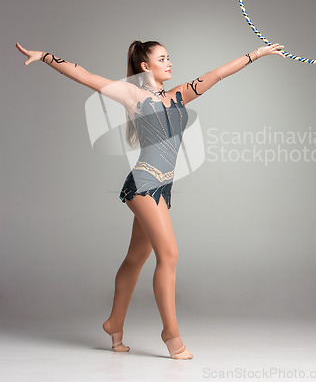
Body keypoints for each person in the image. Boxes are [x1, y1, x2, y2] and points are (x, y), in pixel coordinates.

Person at [15, 39, 285, 359]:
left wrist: (257, 54)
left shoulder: (179, 94)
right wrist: (45, 56)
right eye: (162, 58)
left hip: (162, 188)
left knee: (135, 259)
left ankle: (114, 324)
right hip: (144, 184)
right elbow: (84, 75)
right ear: (146, 66)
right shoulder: (134, 95)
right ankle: (171, 334)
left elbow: (218, 74)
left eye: (170, 57)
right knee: (169, 255)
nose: (169, 62)